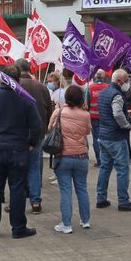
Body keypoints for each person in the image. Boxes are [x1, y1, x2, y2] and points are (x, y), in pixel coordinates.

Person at [0, 65, 41, 239]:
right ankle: (18, 228)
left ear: (1, 79)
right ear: (18, 80)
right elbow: (36, 126)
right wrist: (31, 143)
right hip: (18, 149)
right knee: (17, 189)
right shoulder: (25, 100)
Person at [96, 69, 131, 212]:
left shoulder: (103, 92)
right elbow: (116, 113)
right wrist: (126, 125)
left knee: (105, 167)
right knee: (122, 169)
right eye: (126, 81)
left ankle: (101, 199)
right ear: (119, 81)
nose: (128, 83)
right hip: (116, 137)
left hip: (103, 136)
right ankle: (123, 201)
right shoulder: (117, 95)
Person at [49, 85, 92, 234]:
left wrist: (57, 112)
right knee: (82, 188)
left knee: (66, 191)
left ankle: (66, 224)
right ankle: (85, 220)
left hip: (63, 156)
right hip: (81, 156)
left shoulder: (59, 112)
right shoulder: (85, 114)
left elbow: (50, 129)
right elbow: (87, 131)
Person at [15, 59, 53, 214]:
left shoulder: (15, 86)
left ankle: (17, 202)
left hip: (18, 133)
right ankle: (35, 202)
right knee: (34, 168)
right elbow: (49, 109)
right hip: (38, 132)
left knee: (17, 169)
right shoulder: (41, 86)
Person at [86, 69, 108, 167]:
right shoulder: (108, 88)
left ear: (95, 77)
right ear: (104, 77)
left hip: (94, 117)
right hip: (106, 118)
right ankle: (106, 160)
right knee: (106, 138)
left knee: (96, 139)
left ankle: (100, 161)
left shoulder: (90, 88)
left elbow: (86, 103)